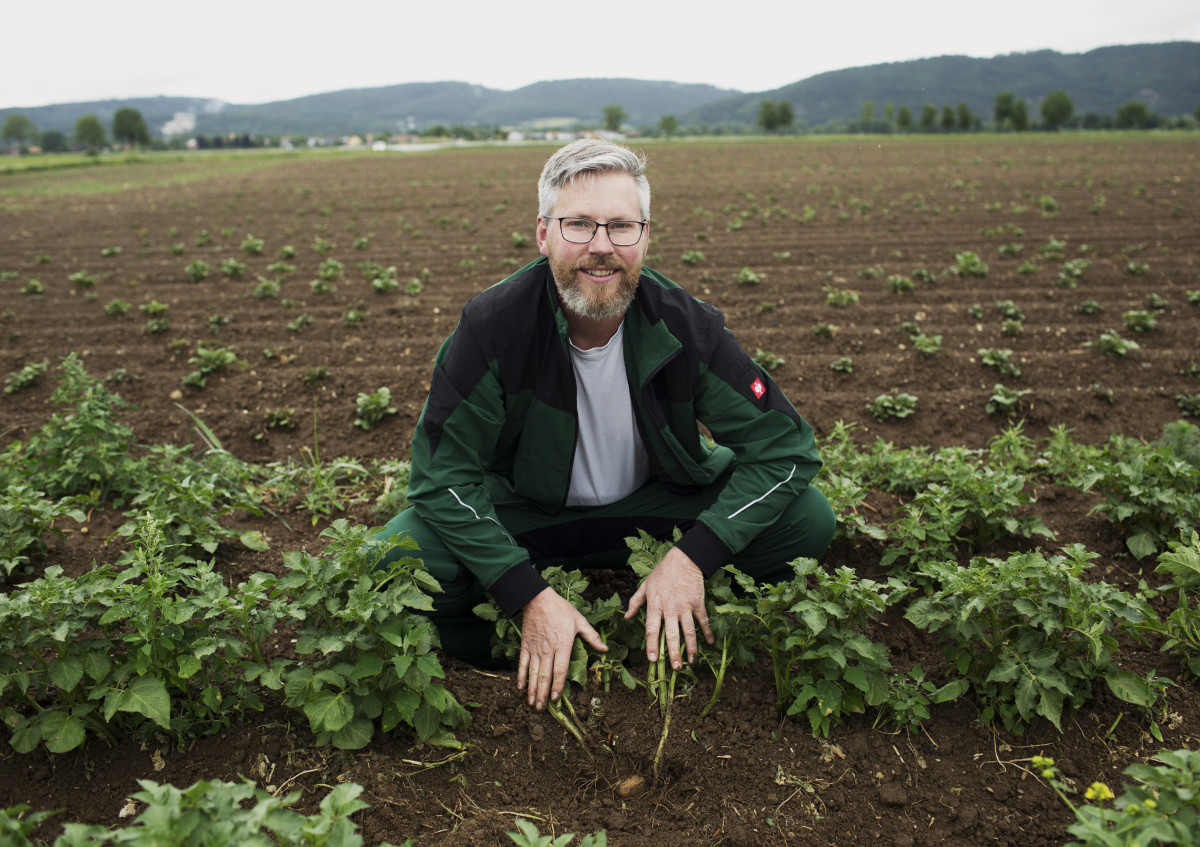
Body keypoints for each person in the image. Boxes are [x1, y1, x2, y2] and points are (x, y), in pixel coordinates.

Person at [376, 138, 835, 712]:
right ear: (543, 234)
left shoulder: (687, 327)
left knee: (806, 519)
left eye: (621, 226)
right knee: (398, 558)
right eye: (579, 226)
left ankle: (686, 615)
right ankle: (501, 649)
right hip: (528, 514)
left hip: (653, 506)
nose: (601, 247)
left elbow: (786, 450)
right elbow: (442, 476)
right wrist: (525, 595)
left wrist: (693, 556)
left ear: (645, 236)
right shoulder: (493, 327)